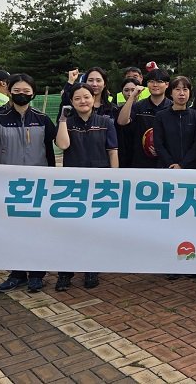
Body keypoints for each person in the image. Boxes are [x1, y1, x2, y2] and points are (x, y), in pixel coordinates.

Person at [0, 74, 57, 294]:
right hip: (8, 184)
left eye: (26, 91)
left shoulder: (42, 118)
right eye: (17, 90)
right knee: (12, 230)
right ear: (9, 91)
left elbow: (54, 146)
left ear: (33, 93)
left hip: (38, 184)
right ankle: (17, 274)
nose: (22, 94)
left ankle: (37, 274)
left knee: (37, 230)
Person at [54, 83, 119, 292]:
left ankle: (91, 269)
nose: (83, 101)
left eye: (86, 97)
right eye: (77, 98)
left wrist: (114, 178)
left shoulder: (106, 122)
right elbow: (62, 145)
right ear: (71, 102)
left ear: (93, 98)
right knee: (70, 230)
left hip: (100, 183)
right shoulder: (67, 122)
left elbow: (112, 151)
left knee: (94, 229)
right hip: (73, 184)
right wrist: (62, 119)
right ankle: (65, 273)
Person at [117, 68, 171, 168]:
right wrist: (132, 97)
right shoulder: (138, 106)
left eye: (159, 81)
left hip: (166, 163)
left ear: (167, 84)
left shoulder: (172, 107)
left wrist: (162, 150)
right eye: (151, 81)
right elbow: (122, 122)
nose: (155, 85)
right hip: (141, 163)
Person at [154, 76, 196, 170]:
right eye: (177, 89)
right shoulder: (161, 116)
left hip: (191, 168)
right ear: (171, 93)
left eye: (185, 89)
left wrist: (182, 165)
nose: (182, 93)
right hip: (166, 168)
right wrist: (170, 163)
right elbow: (158, 144)